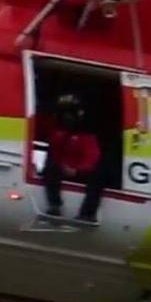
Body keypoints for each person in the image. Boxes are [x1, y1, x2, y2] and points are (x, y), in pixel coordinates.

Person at [42, 92, 104, 222]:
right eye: (64, 115)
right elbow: (53, 154)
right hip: (62, 169)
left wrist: (76, 170)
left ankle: (87, 213)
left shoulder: (87, 136)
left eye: (69, 114)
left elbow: (92, 158)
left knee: (99, 177)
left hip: (80, 172)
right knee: (50, 168)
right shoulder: (56, 134)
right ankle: (55, 205)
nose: (67, 118)